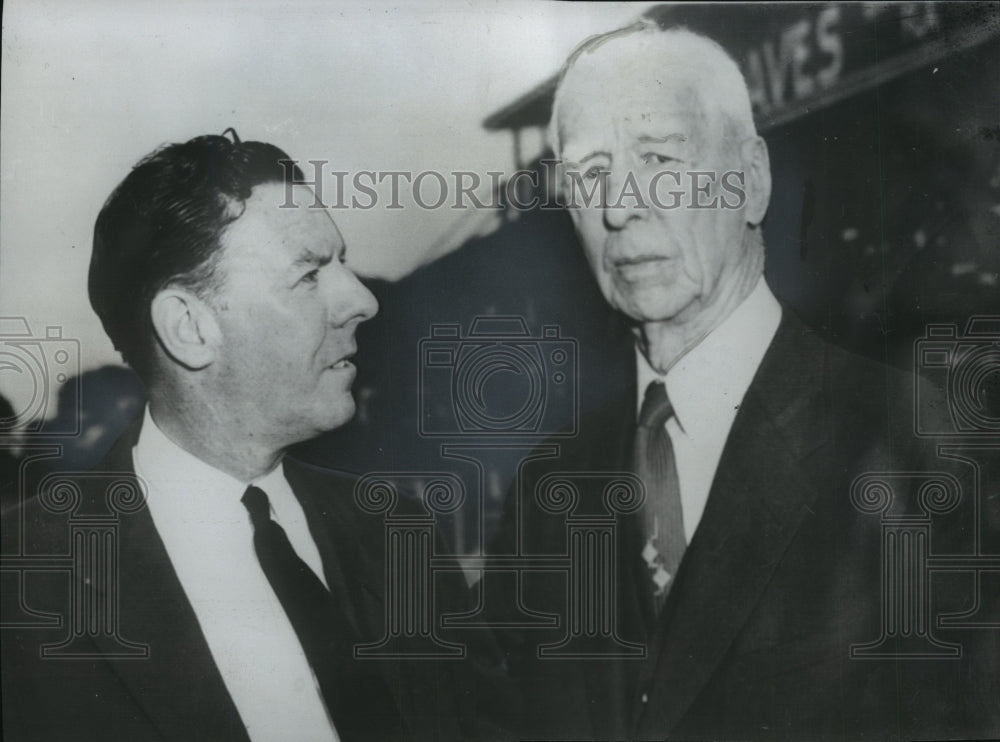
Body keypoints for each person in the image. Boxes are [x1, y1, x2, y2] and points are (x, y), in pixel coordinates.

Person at [489, 22, 999, 741]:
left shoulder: (922, 441)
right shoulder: (548, 488)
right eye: (589, 173)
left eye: (659, 158)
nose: (619, 206)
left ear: (750, 180)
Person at [1, 133, 506, 741]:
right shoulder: (25, 582)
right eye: (308, 274)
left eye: (341, 262)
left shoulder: (398, 534)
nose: (363, 300)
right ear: (189, 328)